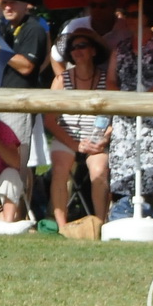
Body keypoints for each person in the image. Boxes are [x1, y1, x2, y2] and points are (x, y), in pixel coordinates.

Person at [105, 1, 153, 224]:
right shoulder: (121, 47)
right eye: (127, 14)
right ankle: (130, 216)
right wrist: (126, 102)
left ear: (147, 17)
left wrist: (143, 102)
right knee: (128, 168)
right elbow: (110, 80)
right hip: (125, 114)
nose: (130, 19)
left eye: (135, 14)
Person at [44, 28, 111, 224]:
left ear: (94, 51)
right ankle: (62, 225)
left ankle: (101, 223)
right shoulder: (61, 80)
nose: (77, 50)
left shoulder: (107, 80)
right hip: (67, 137)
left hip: (98, 140)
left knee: (99, 171)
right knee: (59, 169)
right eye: (73, 48)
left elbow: (117, 117)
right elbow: (49, 120)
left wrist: (103, 140)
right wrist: (75, 145)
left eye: (82, 46)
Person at [0, 0, 50, 194]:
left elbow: (26, 66)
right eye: (4, 3)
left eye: (12, 3)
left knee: (18, 160)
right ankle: (3, 211)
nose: (7, 7)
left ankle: (19, 213)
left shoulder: (34, 29)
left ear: (25, 4)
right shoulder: (4, 28)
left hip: (18, 103)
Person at [53, 0, 131, 75]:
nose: (97, 10)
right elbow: (56, 56)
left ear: (114, 6)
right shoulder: (75, 26)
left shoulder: (127, 28)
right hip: (80, 84)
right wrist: (65, 81)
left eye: (103, 6)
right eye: (93, 5)